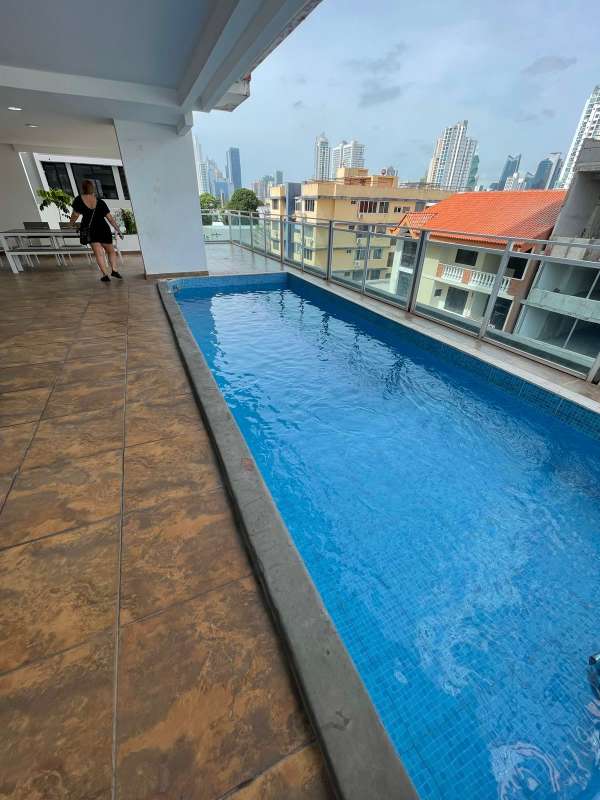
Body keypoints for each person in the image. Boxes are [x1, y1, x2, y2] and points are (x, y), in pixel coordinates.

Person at [70, 179, 124, 282]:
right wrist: (119, 230)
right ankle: (114, 270)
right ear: (93, 188)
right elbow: (110, 219)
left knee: (99, 253)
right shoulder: (100, 202)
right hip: (103, 228)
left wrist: (71, 224)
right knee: (111, 251)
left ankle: (105, 275)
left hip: (90, 230)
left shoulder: (78, 200)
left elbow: (75, 215)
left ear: (83, 188)